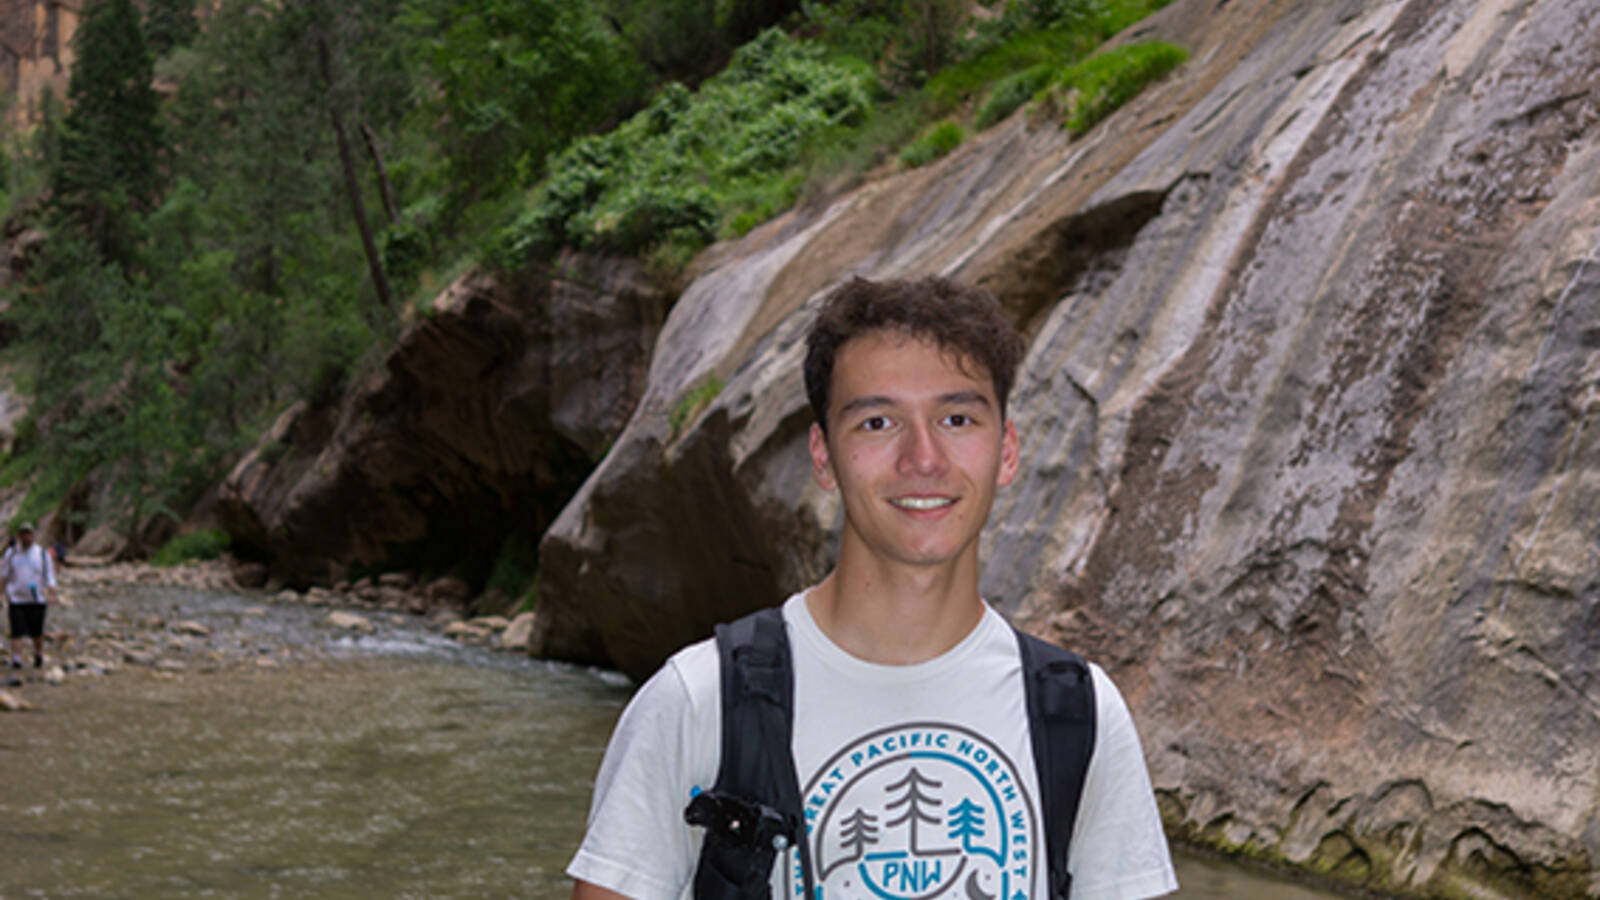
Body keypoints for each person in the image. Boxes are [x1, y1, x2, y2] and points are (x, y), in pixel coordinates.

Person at [568, 277, 1178, 900]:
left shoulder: (1078, 714)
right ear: (824, 456)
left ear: (1007, 451)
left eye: (958, 418)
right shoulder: (698, 702)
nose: (923, 457)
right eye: (878, 421)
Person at [4, 522, 58, 669]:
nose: (26, 536)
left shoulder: (41, 554)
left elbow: (49, 576)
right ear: (19, 536)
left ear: (33, 535)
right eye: (23, 533)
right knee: (16, 632)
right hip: (16, 599)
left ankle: (38, 653)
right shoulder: (11, 554)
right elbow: (4, 575)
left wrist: (52, 594)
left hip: (36, 600)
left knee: (37, 632)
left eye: (28, 533)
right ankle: (16, 658)